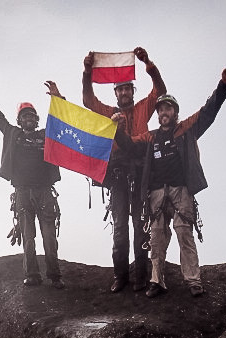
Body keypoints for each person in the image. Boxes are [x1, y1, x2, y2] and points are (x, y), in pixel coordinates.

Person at [113, 67, 226, 298]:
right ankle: (157, 281)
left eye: (167, 108)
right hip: (157, 194)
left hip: (181, 191)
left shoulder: (186, 130)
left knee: (183, 232)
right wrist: (119, 131)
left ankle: (193, 281)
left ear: (175, 112)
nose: (163, 112)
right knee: (157, 236)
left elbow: (207, 112)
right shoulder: (150, 137)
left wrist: (223, 86)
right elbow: (129, 145)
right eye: (160, 109)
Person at [82, 47, 167, 293]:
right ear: (116, 93)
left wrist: (148, 63)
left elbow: (160, 91)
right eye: (120, 89)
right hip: (118, 174)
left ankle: (141, 278)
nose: (124, 92)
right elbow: (89, 101)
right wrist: (87, 72)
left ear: (132, 91)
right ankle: (120, 277)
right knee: (120, 226)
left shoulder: (142, 108)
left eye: (128, 88)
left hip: (141, 173)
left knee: (141, 225)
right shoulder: (109, 113)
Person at [0, 78, 65, 289]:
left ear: (37, 119)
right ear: (19, 120)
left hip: (44, 192)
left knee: (49, 237)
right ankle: (32, 275)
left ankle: (55, 275)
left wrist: (57, 97)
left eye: (32, 116)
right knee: (28, 237)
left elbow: (61, 119)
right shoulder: (12, 134)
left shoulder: (46, 136)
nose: (28, 119)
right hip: (23, 192)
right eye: (24, 117)